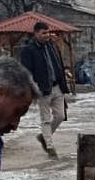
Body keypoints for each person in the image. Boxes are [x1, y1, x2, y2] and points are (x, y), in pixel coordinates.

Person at [18, 21, 70, 157]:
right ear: (36, 34)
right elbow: (26, 71)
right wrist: (33, 88)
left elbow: (59, 64)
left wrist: (64, 82)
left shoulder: (52, 46)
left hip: (57, 86)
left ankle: (43, 137)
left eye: (48, 32)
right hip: (42, 89)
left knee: (60, 116)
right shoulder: (28, 50)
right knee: (45, 119)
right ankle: (50, 147)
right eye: (44, 33)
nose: (47, 35)